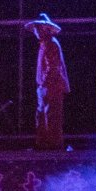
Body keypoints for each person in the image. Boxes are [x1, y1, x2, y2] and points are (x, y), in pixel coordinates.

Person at [28, 14, 69, 150]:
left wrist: (44, 83)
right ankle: (43, 145)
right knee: (42, 115)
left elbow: (53, 66)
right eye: (36, 29)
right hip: (46, 86)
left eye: (38, 28)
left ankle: (53, 147)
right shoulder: (45, 44)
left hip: (51, 86)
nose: (36, 31)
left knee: (51, 116)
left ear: (45, 29)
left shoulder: (51, 44)